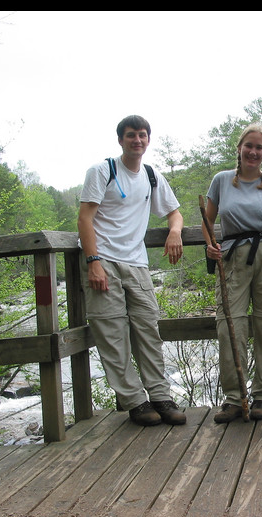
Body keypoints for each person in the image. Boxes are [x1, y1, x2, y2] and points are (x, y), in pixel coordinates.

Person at [77, 115, 186, 427]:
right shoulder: (103, 171)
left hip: (136, 262)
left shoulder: (151, 176)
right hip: (104, 260)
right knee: (112, 334)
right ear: (120, 140)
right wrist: (93, 261)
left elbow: (174, 212)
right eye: (130, 135)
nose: (137, 140)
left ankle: (160, 396)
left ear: (148, 140)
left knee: (148, 329)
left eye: (142, 135)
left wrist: (175, 231)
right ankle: (135, 401)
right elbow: (85, 218)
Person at [202, 124, 262, 423]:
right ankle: (234, 398)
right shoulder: (221, 181)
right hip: (231, 258)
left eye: (260, 148)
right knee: (229, 323)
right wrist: (210, 246)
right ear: (239, 148)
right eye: (249, 146)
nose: (253, 152)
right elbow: (208, 223)